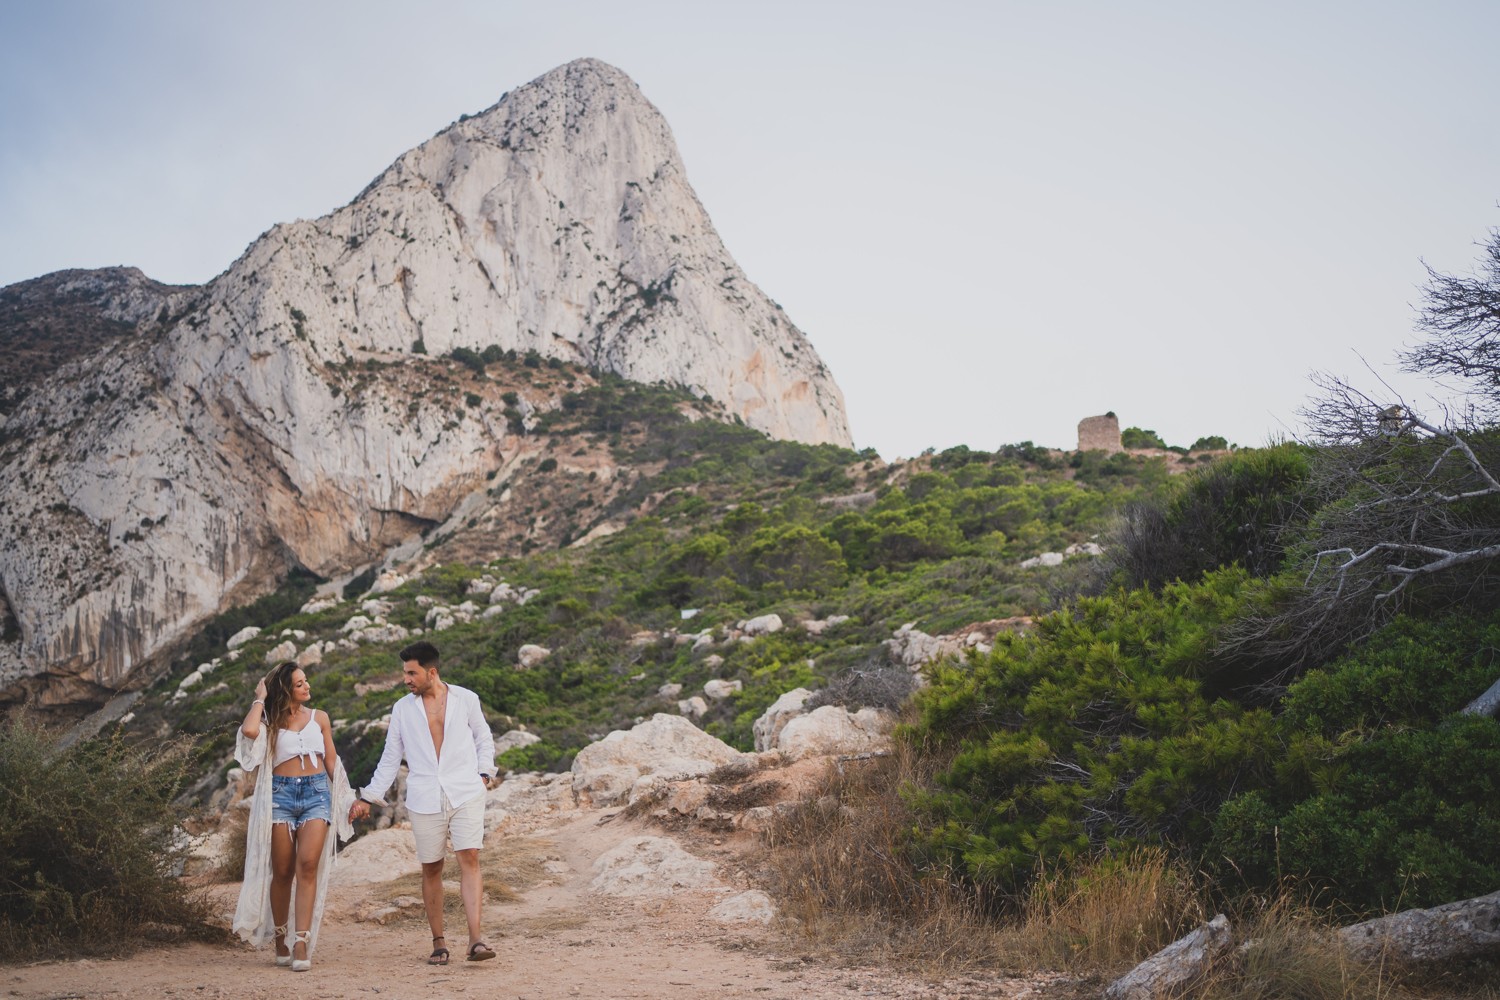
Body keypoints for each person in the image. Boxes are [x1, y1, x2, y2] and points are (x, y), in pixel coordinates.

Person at [348, 640, 498, 965]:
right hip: (424, 795)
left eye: (411, 673)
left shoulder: (466, 699)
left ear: (431, 672)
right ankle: (439, 941)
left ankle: (475, 940)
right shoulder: (403, 709)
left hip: (465, 790)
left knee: (469, 857)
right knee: (432, 867)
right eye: (405, 673)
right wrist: (369, 797)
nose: (406, 679)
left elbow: (483, 738)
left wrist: (484, 774)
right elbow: (391, 757)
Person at [232, 661, 354, 971]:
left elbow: (331, 760)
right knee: (283, 872)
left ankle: (301, 941)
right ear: (286, 690)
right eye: (300, 683)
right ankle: (280, 937)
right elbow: (249, 731)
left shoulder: (319, 718)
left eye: (306, 680)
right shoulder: (270, 722)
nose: (307, 686)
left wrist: (346, 798)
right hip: (281, 798)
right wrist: (260, 697)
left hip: (316, 794)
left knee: (308, 866)